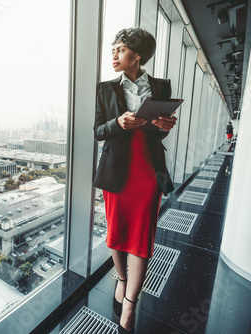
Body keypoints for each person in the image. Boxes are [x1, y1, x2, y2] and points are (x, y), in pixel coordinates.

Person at [92, 28, 177, 334]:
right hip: (116, 170)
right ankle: (123, 280)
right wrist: (118, 122)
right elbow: (98, 130)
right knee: (116, 234)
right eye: (113, 50)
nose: (113, 55)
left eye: (120, 49)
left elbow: (161, 131)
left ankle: (130, 305)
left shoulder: (161, 86)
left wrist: (165, 125)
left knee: (141, 238)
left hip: (148, 171)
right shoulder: (105, 89)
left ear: (137, 55)